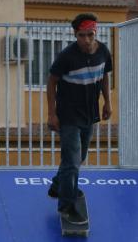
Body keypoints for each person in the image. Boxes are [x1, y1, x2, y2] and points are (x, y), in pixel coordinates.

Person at [46, 13, 113, 225]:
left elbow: (104, 77)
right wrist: (51, 113)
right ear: (75, 35)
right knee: (73, 162)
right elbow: (51, 83)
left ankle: (58, 185)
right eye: (82, 35)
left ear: (96, 32)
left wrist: (108, 103)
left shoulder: (103, 51)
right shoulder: (67, 56)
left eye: (90, 35)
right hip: (68, 115)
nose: (86, 40)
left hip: (89, 113)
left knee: (78, 157)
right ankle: (66, 205)